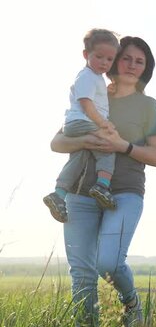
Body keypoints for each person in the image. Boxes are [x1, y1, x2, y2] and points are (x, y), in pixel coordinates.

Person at [50, 36, 156, 327]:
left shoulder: (149, 106)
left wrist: (122, 145)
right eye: (126, 58)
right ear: (113, 60)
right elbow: (57, 142)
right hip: (80, 192)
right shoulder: (92, 91)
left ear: (145, 68)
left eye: (139, 61)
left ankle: (131, 303)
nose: (132, 65)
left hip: (125, 192)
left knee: (109, 262)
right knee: (83, 275)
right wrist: (86, 141)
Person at [43, 29, 120, 223]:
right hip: (83, 122)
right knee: (108, 146)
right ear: (86, 55)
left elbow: (95, 97)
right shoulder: (87, 76)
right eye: (99, 56)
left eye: (109, 59)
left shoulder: (94, 78)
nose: (104, 62)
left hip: (76, 124)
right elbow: (86, 103)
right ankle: (102, 185)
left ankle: (59, 194)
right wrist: (103, 124)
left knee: (80, 156)